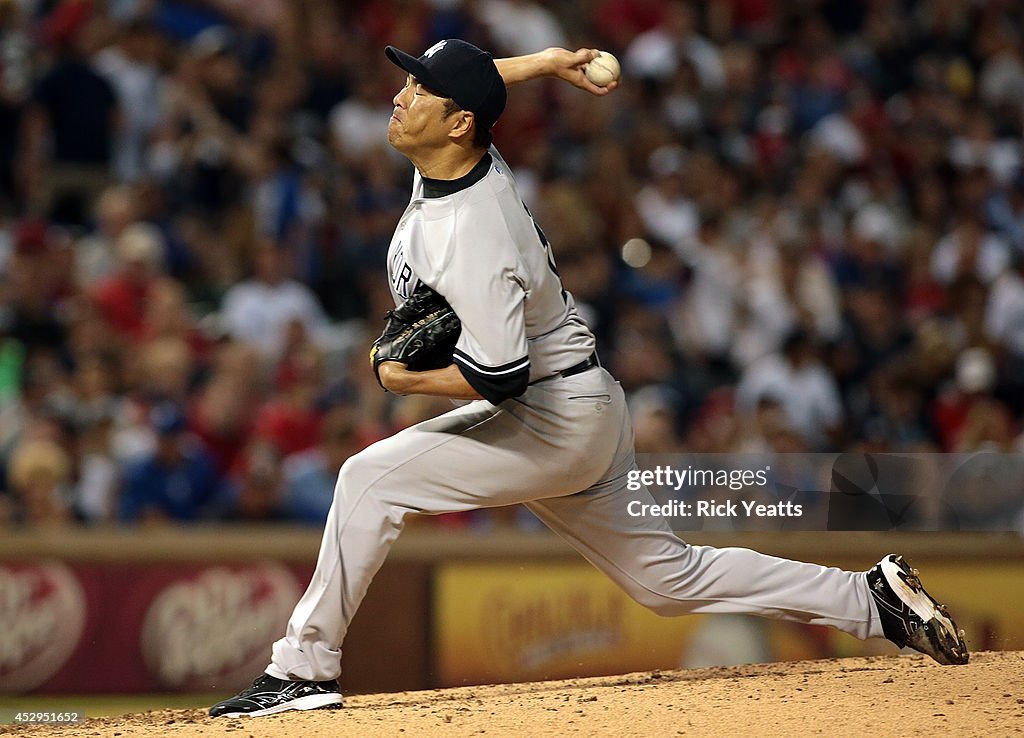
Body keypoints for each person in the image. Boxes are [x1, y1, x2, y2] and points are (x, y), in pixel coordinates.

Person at [210, 40, 968, 718]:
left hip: (548, 414)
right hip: (583, 399)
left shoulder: (469, 229)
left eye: (417, 91)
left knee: (368, 480)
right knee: (664, 580)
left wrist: (404, 381)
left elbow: (499, 375)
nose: (399, 96)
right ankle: (872, 600)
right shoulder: (460, 149)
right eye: (407, 84)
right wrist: (540, 64)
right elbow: (471, 84)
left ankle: (302, 669)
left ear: (458, 124)